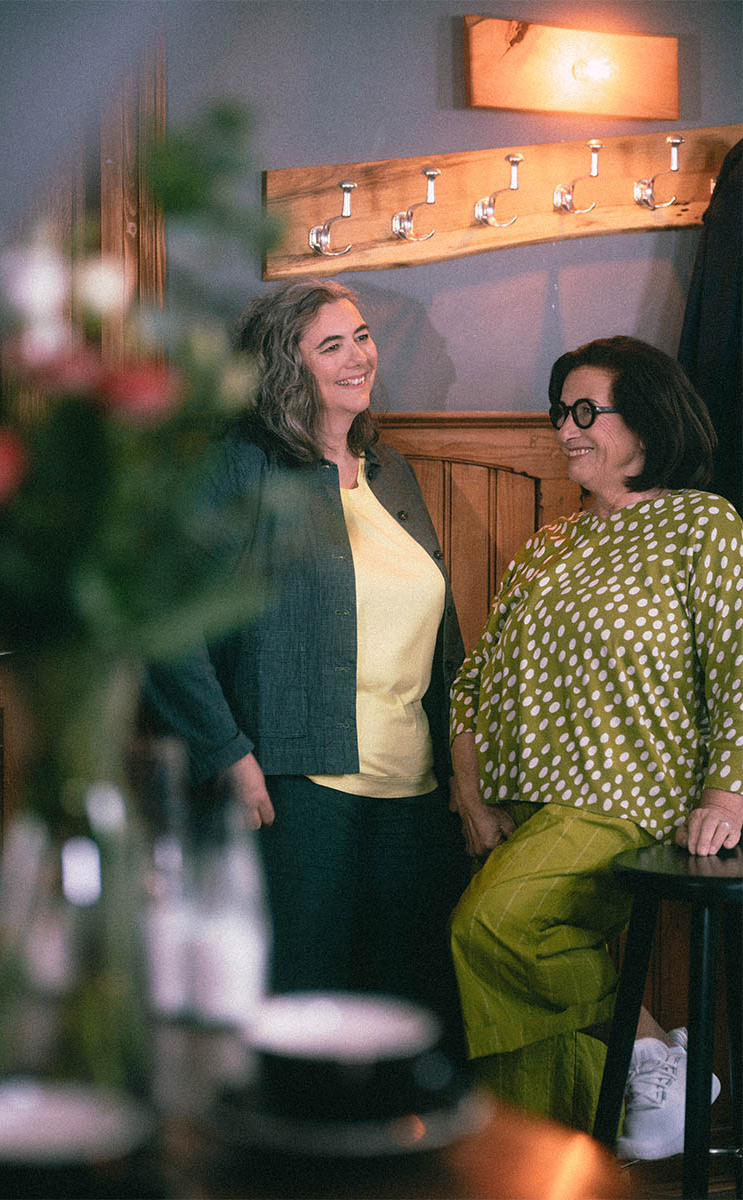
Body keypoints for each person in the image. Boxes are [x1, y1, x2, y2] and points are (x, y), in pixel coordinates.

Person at [143, 278, 470, 1050]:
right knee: (297, 1013)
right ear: (287, 369)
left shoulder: (390, 469)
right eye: (332, 345)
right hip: (297, 791)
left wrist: (465, 772)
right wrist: (227, 753)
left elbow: (443, 636)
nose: (359, 357)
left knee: (404, 1019)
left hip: (415, 795)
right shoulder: (239, 467)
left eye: (362, 336)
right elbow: (163, 621)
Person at [448, 336, 743, 1156]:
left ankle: (652, 1055)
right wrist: (471, 793)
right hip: (524, 807)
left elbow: (738, 661)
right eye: (560, 413)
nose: (566, 429)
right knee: (509, 1009)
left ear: (646, 418)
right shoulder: (549, 545)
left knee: (490, 929)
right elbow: (474, 680)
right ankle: (545, 1161)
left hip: (627, 796)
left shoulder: (701, 523)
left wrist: (726, 793)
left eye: (585, 410)